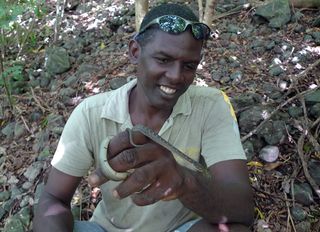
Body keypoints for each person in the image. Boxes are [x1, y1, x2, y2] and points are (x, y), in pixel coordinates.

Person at [33, 3, 254, 232]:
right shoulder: (91, 113)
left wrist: (184, 182)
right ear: (135, 52)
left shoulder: (211, 106)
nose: (176, 76)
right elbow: (53, 199)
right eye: (163, 60)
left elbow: (242, 208)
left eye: (189, 65)